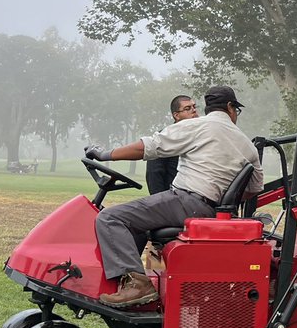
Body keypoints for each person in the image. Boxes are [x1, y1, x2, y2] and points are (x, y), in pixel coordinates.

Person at [84, 86, 263, 308]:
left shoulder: (197, 126)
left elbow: (148, 147)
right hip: (212, 210)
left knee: (110, 218)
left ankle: (138, 286)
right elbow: (254, 188)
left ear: (209, 108)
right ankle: (129, 281)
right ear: (230, 107)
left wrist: (105, 154)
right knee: (135, 224)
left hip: (186, 201)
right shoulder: (248, 145)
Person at [145, 94, 199, 194]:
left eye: (194, 107)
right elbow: (154, 174)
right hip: (172, 198)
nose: (194, 110)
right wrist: (159, 204)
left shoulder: (200, 135)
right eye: (188, 108)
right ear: (176, 115)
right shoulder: (165, 137)